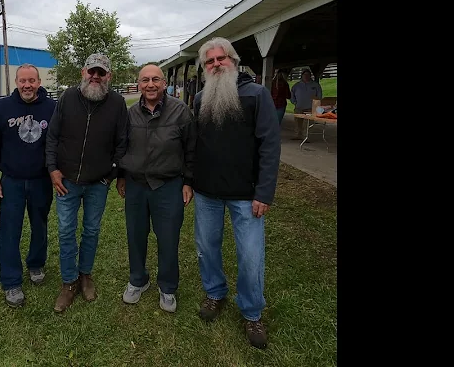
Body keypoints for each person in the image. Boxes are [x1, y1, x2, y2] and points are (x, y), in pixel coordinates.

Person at [192, 37, 281, 349]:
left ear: (233, 60)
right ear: (204, 68)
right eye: (210, 61)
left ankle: (252, 311)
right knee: (206, 247)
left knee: (251, 256)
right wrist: (190, 180)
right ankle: (215, 293)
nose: (216, 65)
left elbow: (270, 145)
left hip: (247, 195)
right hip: (207, 193)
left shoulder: (256, 95)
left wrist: (264, 192)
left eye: (221, 58)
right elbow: (196, 145)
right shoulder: (200, 98)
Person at [45, 52, 128, 313]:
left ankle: (85, 275)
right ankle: (69, 282)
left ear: (108, 76)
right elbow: (52, 137)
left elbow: (122, 143)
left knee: (91, 231)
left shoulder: (117, 103)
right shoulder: (68, 97)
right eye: (91, 71)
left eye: (101, 72)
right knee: (66, 232)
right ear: (83, 72)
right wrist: (53, 170)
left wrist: (109, 175)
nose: (95, 76)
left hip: (97, 183)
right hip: (65, 181)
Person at [116, 64, 196, 313]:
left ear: (164, 84)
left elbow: (191, 149)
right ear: (138, 84)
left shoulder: (181, 111)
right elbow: (121, 147)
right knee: (135, 235)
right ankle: (138, 279)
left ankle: (168, 287)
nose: (150, 84)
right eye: (144, 80)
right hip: (136, 185)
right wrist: (121, 176)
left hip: (168, 185)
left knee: (168, 238)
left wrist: (188, 181)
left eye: (155, 80)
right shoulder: (130, 115)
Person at [0, 63, 56, 308]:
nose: (27, 85)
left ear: (39, 82)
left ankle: (36, 264)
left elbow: (58, 143)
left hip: (41, 180)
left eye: (32, 81)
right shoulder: (3, 108)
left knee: (40, 225)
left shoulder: (52, 108)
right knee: (9, 231)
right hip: (11, 181)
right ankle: (11, 281)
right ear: (16, 82)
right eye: (22, 81)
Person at [290, 69, 322, 139]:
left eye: (308, 75)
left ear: (310, 76)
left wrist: (316, 105)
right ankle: (297, 135)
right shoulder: (296, 85)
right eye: (305, 75)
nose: (306, 76)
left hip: (310, 108)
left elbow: (319, 96)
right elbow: (291, 95)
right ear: (302, 76)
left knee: (308, 123)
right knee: (298, 122)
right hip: (299, 107)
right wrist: (294, 102)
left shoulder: (315, 85)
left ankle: (306, 137)